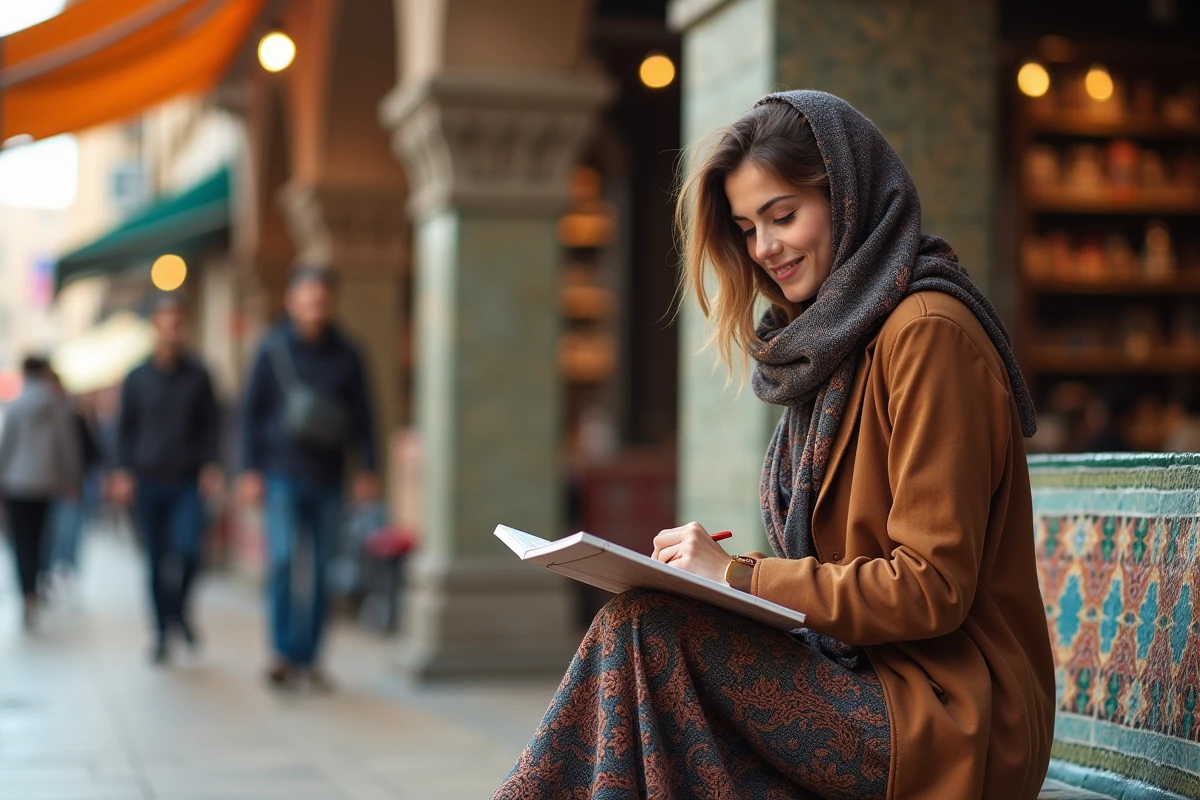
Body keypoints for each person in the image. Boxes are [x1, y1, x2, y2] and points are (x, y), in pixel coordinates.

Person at [494, 91, 1055, 799]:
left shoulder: (926, 333)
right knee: (642, 629)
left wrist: (738, 575)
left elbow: (930, 587)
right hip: (863, 680)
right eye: (747, 227)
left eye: (784, 215)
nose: (765, 249)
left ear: (848, 197)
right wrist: (718, 581)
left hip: (948, 717)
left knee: (647, 633)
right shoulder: (836, 341)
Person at [240, 265, 378, 691]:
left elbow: (366, 416)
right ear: (291, 300)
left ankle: (310, 657)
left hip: (329, 475)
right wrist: (250, 470)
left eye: (322, 297)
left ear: (330, 302)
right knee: (282, 560)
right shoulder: (272, 347)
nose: (315, 304)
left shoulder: (349, 352)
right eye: (307, 296)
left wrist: (368, 469)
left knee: (321, 569)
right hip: (281, 473)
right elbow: (250, 413)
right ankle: (282, 653)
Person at [111, 298, 222, 664]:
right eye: (166, 323)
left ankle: (178, 611)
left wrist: (211, 464)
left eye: (178, 323)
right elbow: (123, 429)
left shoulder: (199, 374)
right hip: (148, 479)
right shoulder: (137, 377)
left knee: (189, 551)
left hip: (187, 480)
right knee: (157, 560)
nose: (173, 330)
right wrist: (122, 471)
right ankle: (162, 631)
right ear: (155, 326)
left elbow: (212, 425)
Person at [0, 357, 81, 630]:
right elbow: (67, 446)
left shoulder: (15, 405)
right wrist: (71, 479)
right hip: (46, 483)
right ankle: (36, 584)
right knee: (41, 537)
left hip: (16, 484)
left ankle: (27, 594)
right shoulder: (57, 407)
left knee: (21, 541)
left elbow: (4, 445)